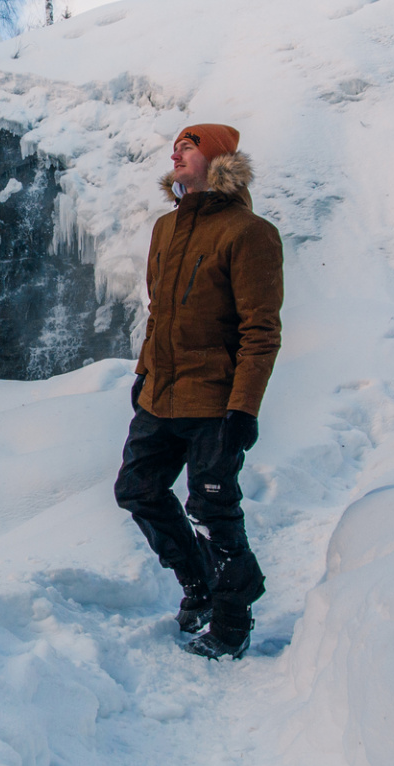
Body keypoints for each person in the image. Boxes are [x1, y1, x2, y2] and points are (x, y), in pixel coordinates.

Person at [113, 123, 283, 660]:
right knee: (137, 489)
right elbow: (159, 312)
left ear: (217, 162)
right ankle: (200, 584)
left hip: (214, 400)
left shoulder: (249, 233)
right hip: (161, 393)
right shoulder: (166, 229)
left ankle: (233, 619)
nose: (175, 153)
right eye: (176, 147)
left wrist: (244, 407)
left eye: (188, 147)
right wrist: (144, 372)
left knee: (213, 508)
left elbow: (261, 330)